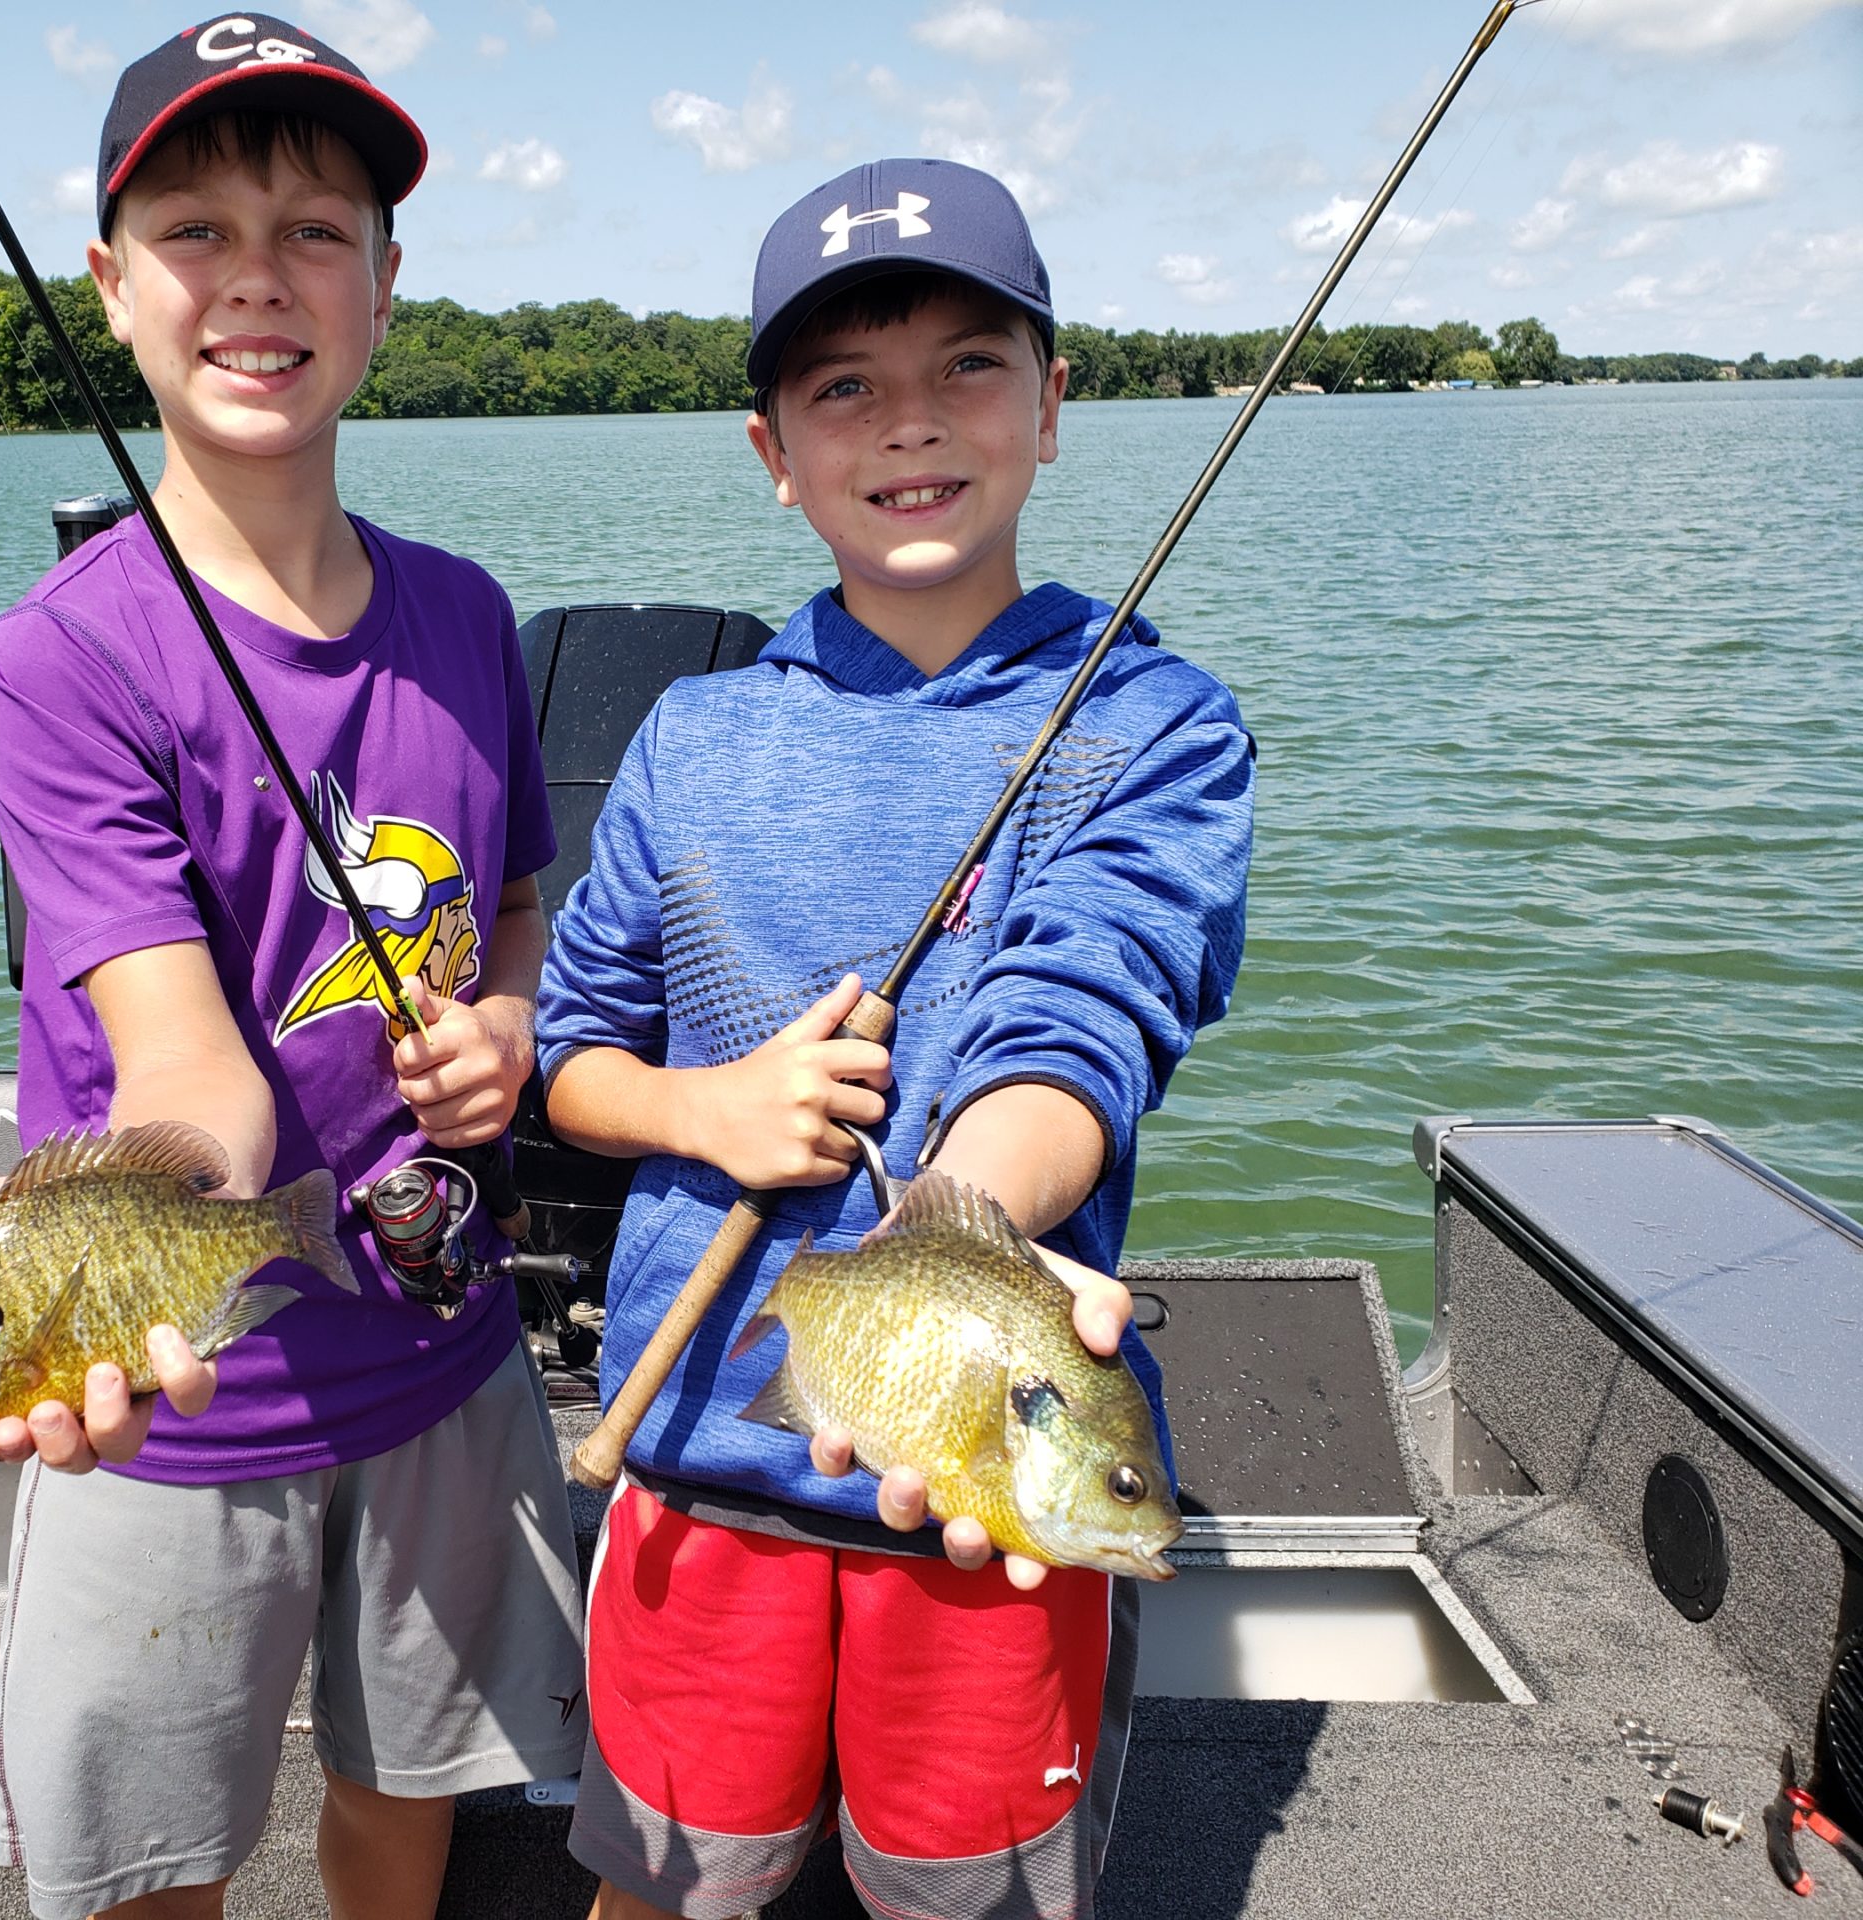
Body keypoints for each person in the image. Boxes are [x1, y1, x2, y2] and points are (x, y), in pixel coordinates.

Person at [0, 17, 586, 1918]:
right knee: (149, 1869)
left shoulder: (466, 611)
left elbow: (512, 899)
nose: (257, 279)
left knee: (412, 1805)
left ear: (386, 281)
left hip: (454, 1356)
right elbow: (184, 1068)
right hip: (189, 1400)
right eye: (196, 231)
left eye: (313, 228)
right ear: (114, 285)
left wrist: (512, 1027)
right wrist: (129, 1228)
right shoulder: (55, 663)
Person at [533, 157, 1254, 1920]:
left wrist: (970, 1227)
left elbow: (1081, 1009)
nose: (910, 423)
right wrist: (711, 1107)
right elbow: (572, 1057)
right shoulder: (693, 737)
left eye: (968, 365)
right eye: (845, 385)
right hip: (697, 1451)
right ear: (775, 451)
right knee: (669, 1885)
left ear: (1054, 404)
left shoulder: (1153, 722)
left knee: (970, 1891)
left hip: (994, 1502)